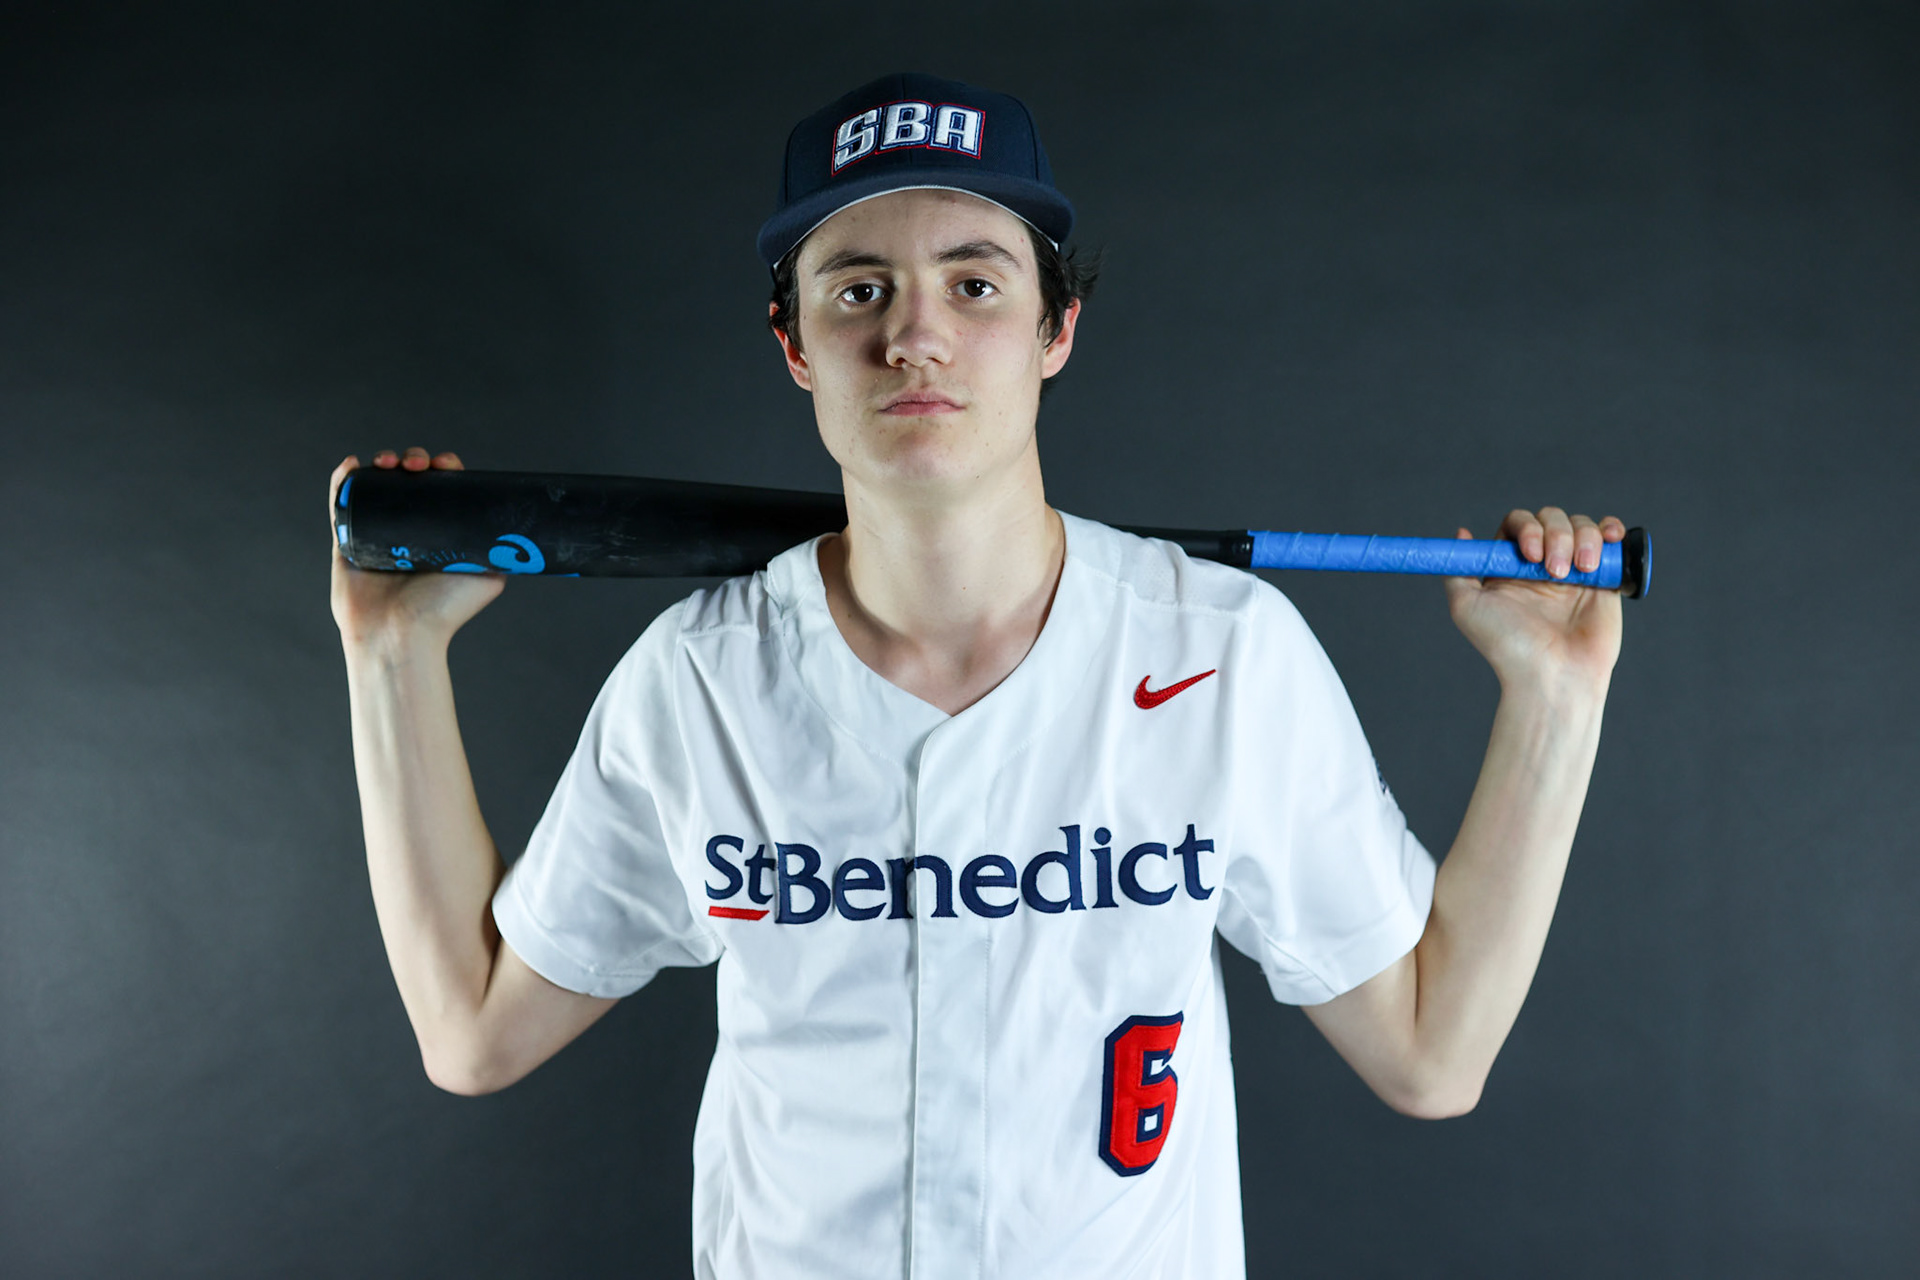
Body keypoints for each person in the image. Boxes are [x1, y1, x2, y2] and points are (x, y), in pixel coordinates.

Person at [328, 73, 1626, 1280]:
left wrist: (1555, 697)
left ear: (1058, 326)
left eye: (976, 283)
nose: (917, 337)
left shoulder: (1222, 653)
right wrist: (391, 652)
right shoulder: (704, 682)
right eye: (857, 290)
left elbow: (1431, 1052)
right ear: (794, 345)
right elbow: (475, 1032)